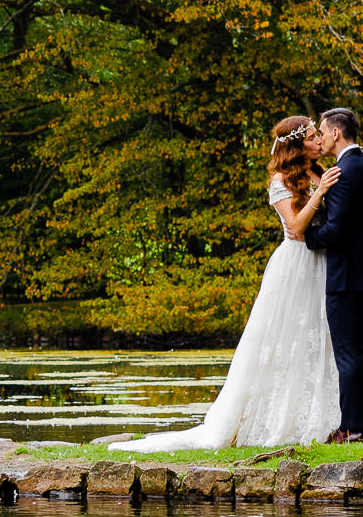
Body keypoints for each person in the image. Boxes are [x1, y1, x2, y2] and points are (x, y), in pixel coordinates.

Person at [113, 115, 346, 451]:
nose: (318, 142)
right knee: (288, 339)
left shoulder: (321, 172)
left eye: (316, 136)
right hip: (295, 264)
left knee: (323, 336)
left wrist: (324, 186)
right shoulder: (281, 180)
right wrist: (319, 193)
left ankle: (333, 417)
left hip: (325, 262)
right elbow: (295, 226)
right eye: (311, 137)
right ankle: (280, 419)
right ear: (296, 145)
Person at [304, 106, 363, 442]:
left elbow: (335, 230)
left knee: (348, 353)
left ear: (336, 133)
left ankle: (353, 427)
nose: (322, 138)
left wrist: (308, 238)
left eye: (324, 132)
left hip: (346, 279)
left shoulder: (341, 174)